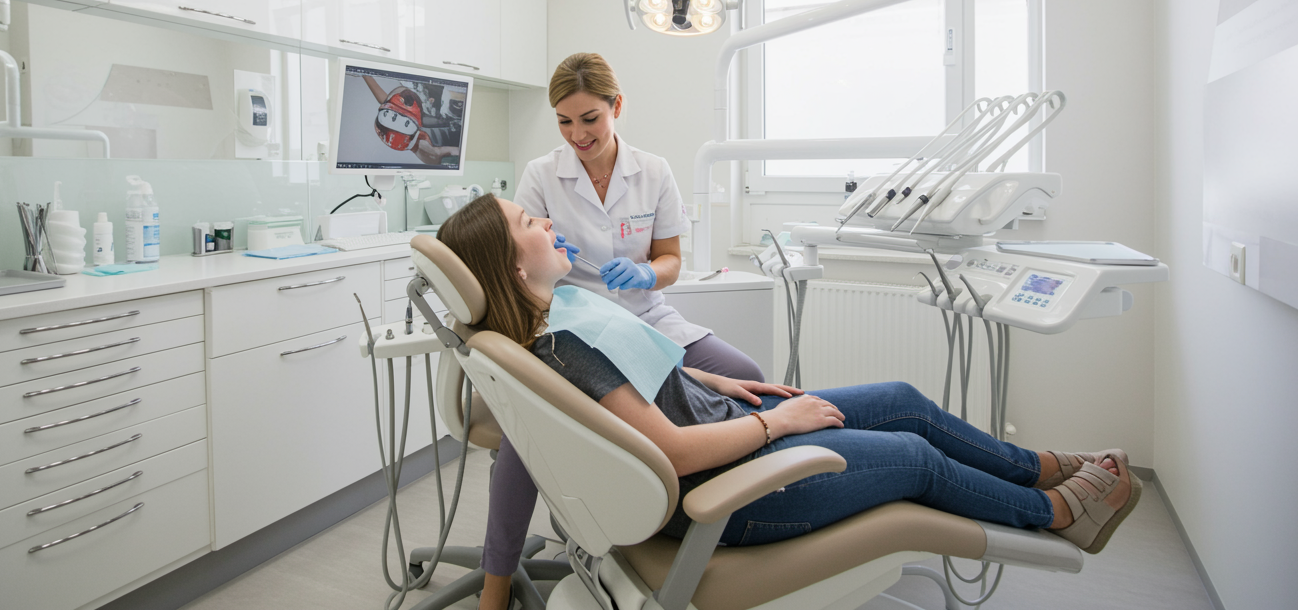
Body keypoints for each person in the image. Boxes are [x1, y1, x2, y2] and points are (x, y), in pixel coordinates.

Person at [437, 194, 1142, 604]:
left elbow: (641, 386)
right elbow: (671, 452)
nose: (547, 222)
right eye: (529, 223)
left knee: (901, 398)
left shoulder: (559, 314)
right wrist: (779, 424)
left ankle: (1039, 468)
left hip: (731, 431)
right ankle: (1057, 513)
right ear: (513, 266)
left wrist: (715, 382)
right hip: (730, 493)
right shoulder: (562, 348)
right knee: (912, 457)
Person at [474, 53, 765, 609]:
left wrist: (646, 273)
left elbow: (670, 259)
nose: (577, 135)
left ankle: (712, 509)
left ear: (617, 107)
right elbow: (521, 257)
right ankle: (496, 584)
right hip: (573, 323)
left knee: (744, 374)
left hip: (646, 315)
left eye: (590, 118)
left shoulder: (652, 171)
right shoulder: (542, 174)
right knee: (525, 431)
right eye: (564, 121)